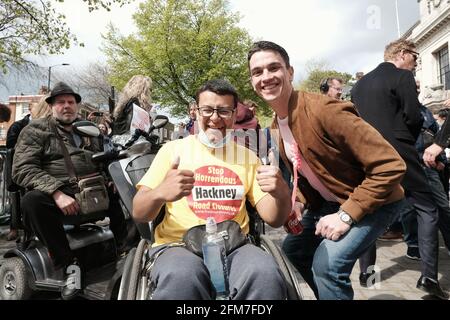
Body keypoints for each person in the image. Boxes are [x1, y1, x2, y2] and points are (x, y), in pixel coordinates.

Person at [247, 40, 406, 300]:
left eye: (273, 68)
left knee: (328, 265)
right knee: (294, 250)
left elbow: (390, 165)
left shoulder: (326, 110)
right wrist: (298, 202)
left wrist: (345, 216)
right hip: (329, 204)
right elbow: (309, 172)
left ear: (290, 72)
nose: (266, 77)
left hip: (376, 201)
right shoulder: (276, 125)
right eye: (257, 72)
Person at [132, 79, 291, 300]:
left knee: (265, 275)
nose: (215, 118)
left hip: (236, 246)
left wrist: (281, 191)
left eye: (224, 111)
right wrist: (160, 192)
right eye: (207, 110)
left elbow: (273, 219)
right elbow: (140, 213)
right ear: (195, 112)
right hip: (178, 246)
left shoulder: (247, 157)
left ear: (235, 115)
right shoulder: (172, 151)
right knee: (182, 278)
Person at [12, 82, 128, 300]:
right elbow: (22, 169)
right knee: (31, 201)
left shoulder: (88, 129)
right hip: (58, 196)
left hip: (92, 194)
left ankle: (126, 251)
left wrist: (110, 177)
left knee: (124, 189)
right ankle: (68, 265)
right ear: (51, 106)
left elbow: (101, 160)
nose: (66, 106)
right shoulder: (36, 130)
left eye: (71, 102)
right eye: (61, 102)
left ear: (77, 105)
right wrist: (57, 192)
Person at [352, 39, 448, 299]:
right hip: (401, 154)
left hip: (367, 156)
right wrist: (408, 138)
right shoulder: (402, 76)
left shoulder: (359, 85)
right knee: (427, 209)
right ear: (403, 54)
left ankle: (366, 272)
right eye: (415, 57)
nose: (415, 63)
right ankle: (428, 277)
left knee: (371, 211)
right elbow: (414, 116)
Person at [4, 96, 51, 241]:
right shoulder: (19, 126)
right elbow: (10, 147)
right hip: (22, 169)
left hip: (42, 170)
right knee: (17, 200)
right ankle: (15, 228)